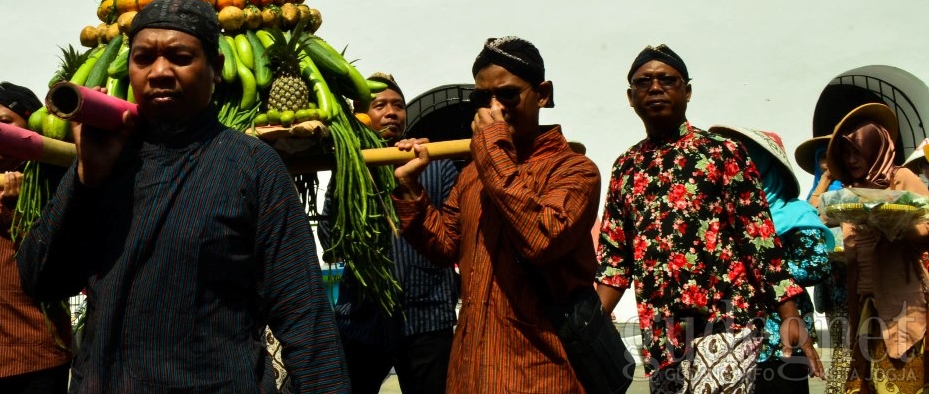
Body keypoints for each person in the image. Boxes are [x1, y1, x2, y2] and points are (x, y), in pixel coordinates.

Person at [16, 0, 347, 393]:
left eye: (180, 57)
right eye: (143, 59)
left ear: (217, 69)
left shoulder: (252, 166)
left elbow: (304, 314)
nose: (159, 72)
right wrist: (85, 177)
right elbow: (41, 279)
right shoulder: (105, 163)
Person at [596, 44, 823, 393]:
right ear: (630, 97)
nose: (655, 88)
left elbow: (758, 238)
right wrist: (592, 325)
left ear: (687, 91)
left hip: (728, 321)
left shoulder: (722, 153)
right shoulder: (625, 167)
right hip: (663, 331)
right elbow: (614, 261)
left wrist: (789, 312)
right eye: (644, 82)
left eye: (667, 80)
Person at [392, 36, 600, 392]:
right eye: (481, 98)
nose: (494, 109)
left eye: (508, 94)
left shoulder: (576, 171)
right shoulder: (473, 175)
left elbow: (541, 239)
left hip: (541, 375)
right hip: (470, 373)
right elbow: (444, 247)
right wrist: (412, 190)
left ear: (544, 94)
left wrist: (491, 147)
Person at [321, 72, 459, 394]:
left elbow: (454, 235)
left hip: (427, 319)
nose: (391, 111)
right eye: (379, 104)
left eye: (398, 104)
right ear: (361, 113)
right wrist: (350, 177)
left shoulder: (437, 164)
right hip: (362, 318)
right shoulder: (349, 168)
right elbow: (331, 244)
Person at [711, 125, 835, 393]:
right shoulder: (726, 215)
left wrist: (766, 272)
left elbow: (817, 264)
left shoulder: (796, 214)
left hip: (784, 332)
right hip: (736, 331)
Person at [0, 82, 72, 393]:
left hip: (32, 355)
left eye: (3, 124)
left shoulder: (52, 179)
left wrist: (15, 209)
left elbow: (53, 258)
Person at [824, 103, 929, 394]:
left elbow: (926, 231)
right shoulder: (850, 193)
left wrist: (896, 221)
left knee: (900, 381)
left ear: (875, 147)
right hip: (864, 304)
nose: (852, 159)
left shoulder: (901, 179)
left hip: (901, 301)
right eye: (846, 153)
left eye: (857, 151)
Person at [797, 135, 851, 394]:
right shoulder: (816, 190)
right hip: (832, 279)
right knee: (842, 339)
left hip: (858, 273)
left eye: (832, 156)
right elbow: (810, 216)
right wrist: (826, 180)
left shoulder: (853, 186)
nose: (826, 162)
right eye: (822, 157)